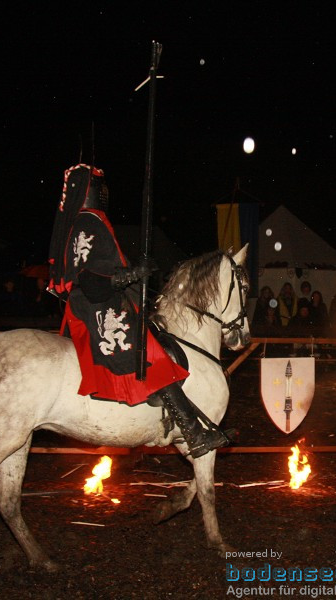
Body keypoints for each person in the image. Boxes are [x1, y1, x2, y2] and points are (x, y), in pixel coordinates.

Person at [48, 164, 228, 458]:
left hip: (101, 301)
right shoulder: (87, 223)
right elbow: (90, 278)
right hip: (97, 306)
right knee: (150, 354)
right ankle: (192, 431)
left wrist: (134, 273)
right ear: (86, 190)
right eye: (98, 185)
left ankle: (189, 425)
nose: (104, 191)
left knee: (154, 340)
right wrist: (133, 275)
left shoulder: (89, 222)